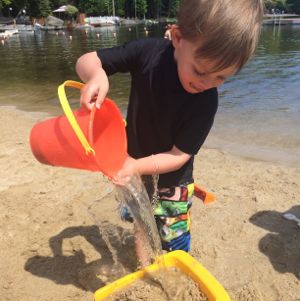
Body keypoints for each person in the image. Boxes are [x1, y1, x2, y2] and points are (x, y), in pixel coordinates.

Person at [76, 0, 264, 253]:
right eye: (200, 71)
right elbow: (87, 60)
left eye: (221, 77)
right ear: (177, 37)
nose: (207, 83)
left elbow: (179, 155)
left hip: (174, 180)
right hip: (133, 169)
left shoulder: (206, 102)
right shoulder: (147, 52)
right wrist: (97, 76)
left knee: (173, 236)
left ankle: (175, 262)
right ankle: (145, 266)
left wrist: (135, 166)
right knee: (141, 224)